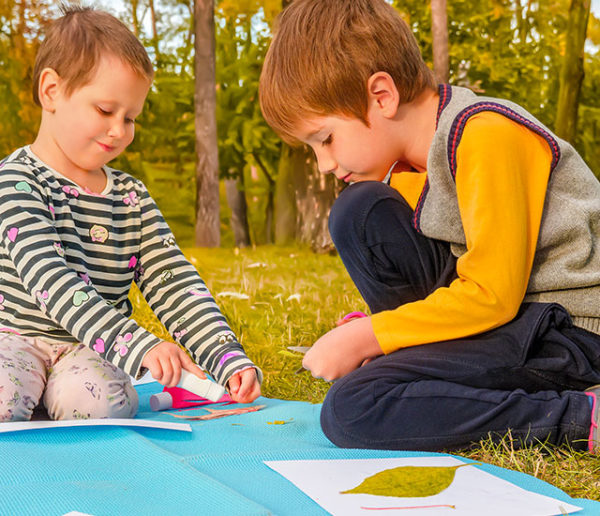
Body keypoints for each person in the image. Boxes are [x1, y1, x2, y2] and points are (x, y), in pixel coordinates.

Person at [259, 0, 600, 453]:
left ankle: (578, 417)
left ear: (382, 96)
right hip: (515, 322)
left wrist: (372, 336)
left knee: (353, 407)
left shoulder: (486, 133)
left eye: (325, 139)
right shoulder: (409, 169)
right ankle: (421, 368)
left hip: (571, 332)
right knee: (359, 212)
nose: (323, 163)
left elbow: (492, 296)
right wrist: (389, 331)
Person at [0, 5, 261, 422]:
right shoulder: (16, 181)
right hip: (11, 339)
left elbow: (174, 282)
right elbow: (49, 278)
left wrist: (227, 357)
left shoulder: (131, 197)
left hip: (90, 351)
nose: (119, 130)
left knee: (100, 405)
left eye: (131, 118)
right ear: (51, 91)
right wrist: (139, 344)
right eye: (105, 111)